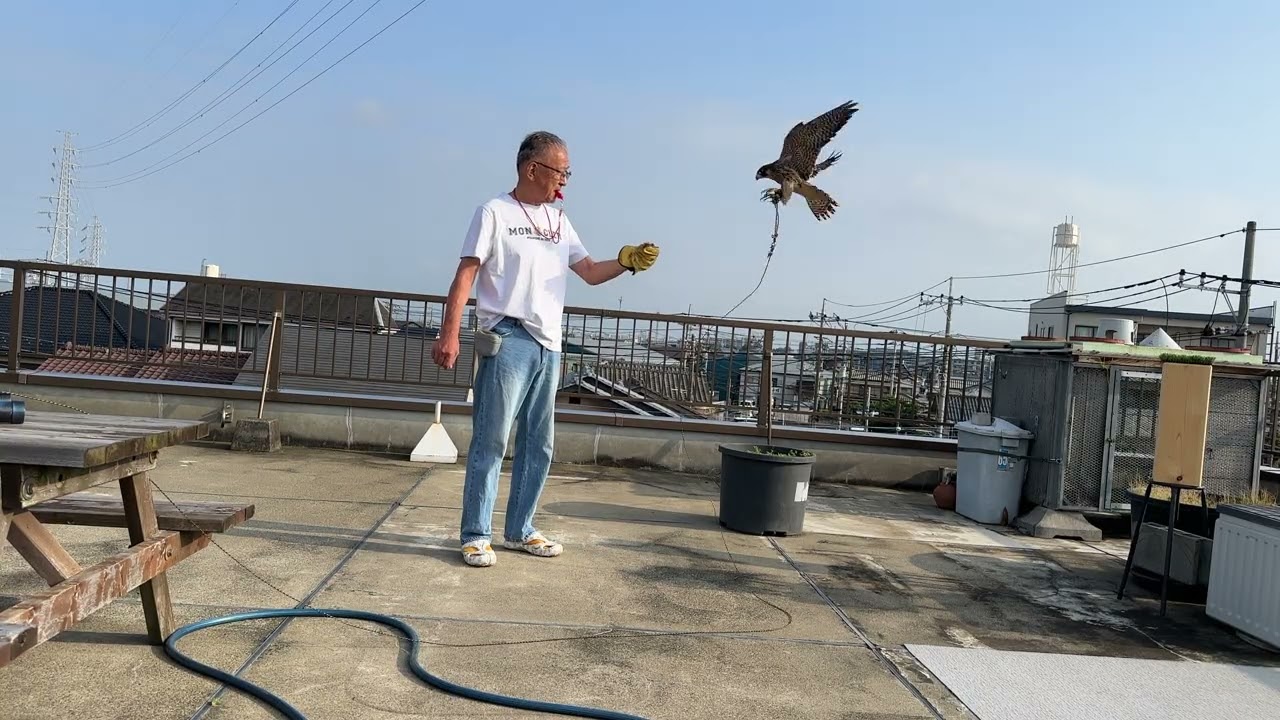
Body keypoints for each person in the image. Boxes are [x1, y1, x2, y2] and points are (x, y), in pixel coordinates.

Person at [431, 131, 660, 568]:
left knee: (540, 444)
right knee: (492, 439)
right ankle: (476, 534)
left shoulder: (560, 222)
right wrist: (450, 333)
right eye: (561, 171)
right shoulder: (494, 212)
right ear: (532, 168)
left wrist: (627, 260)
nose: (565, 182)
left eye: (567, 173)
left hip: (548, 344)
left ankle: (520, 530)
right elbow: (466, 274)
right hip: (508, 337)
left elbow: (590, 272)